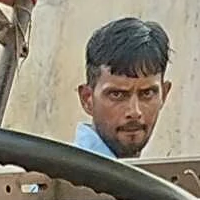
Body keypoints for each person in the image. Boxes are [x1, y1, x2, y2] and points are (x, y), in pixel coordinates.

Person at [67, 17, 172, 159]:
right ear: (88, 99)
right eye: (117, 95)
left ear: (164, 95)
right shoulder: (58, 178)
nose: (134, 112)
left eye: (147, 93)